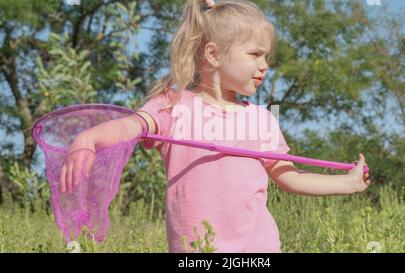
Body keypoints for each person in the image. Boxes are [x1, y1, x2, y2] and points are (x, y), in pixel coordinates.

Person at [60, 0, 371, 252]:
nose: (265, 64)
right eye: (254, 54)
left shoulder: (261, 119)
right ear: (213, 54)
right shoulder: (173, 105)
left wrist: (348, 183)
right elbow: (131, 126)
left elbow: (288, 177)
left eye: (267, 56)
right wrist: (88, 139)